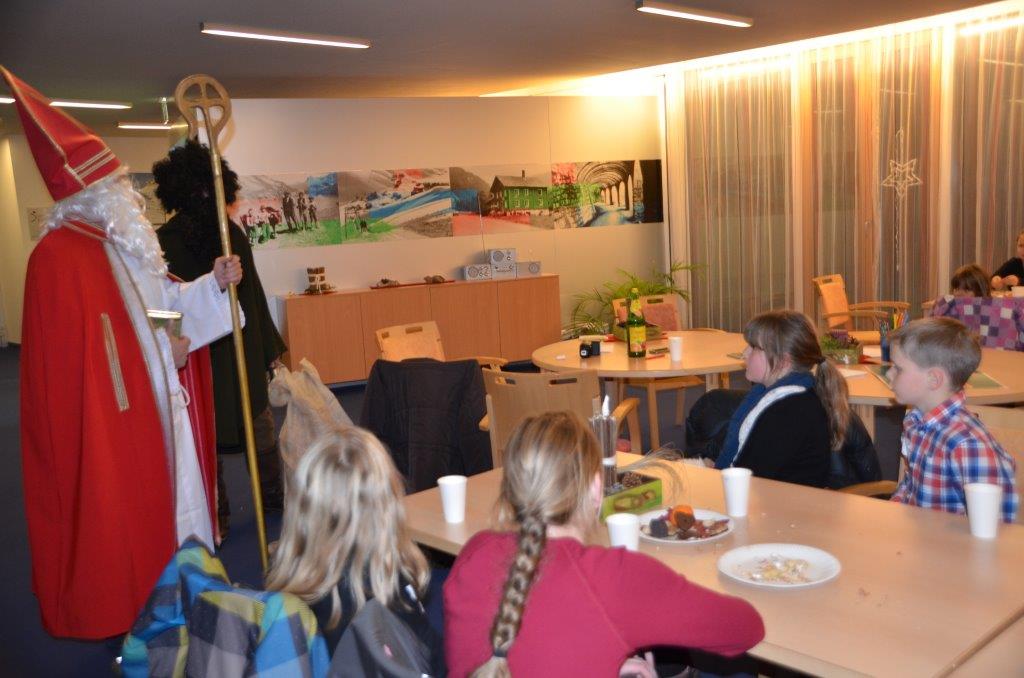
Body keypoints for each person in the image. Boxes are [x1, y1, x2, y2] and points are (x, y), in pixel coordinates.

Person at [5, 65, 242, 639]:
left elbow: (158, 310)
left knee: (177, 510)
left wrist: (211, 285)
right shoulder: (57, 260)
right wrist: (164, 356)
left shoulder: (124, 246)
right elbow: (89, 368)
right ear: (90, 195)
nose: (128, 195)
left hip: (158, 406)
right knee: (126, 519)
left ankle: (183, 590)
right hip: (115, 425)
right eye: (115, 185)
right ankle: (139, 607)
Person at [443, 411, 764, 677]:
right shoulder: (616, 577)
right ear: (597, 489)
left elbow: (532, 647)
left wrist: (602, 658)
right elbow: (746, 628)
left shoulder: (475, 551)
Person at [153, 140, 288, 538]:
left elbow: (253, 295)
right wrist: (169, 351)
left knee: (258, 424)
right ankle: (218, 510)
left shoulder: (232, 235)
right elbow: (165, 300)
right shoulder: (165, 242)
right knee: (205, 433)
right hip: (199, 354)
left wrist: (267, 352)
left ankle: (272, 497)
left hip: (240, 346)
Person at [264, 426, 445, 673]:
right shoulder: (389, 589)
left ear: (302, 508)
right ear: (387, 506)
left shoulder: (285, 591)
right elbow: (431, 660)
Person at [887, 317, 1018, 522]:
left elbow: (995, 527)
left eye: (897, 368)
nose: (888, 374)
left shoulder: (967, 445)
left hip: (950, 543)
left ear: (933, 379)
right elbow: (910, 486)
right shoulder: (915, 422)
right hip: (916, 533)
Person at [715, 310, 854, 488]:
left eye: (754, 347)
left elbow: (748, 478)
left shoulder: (788, 412)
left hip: (780, 502)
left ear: (783, 361)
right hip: (771, 496)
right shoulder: (780, 394)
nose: (744, 353)